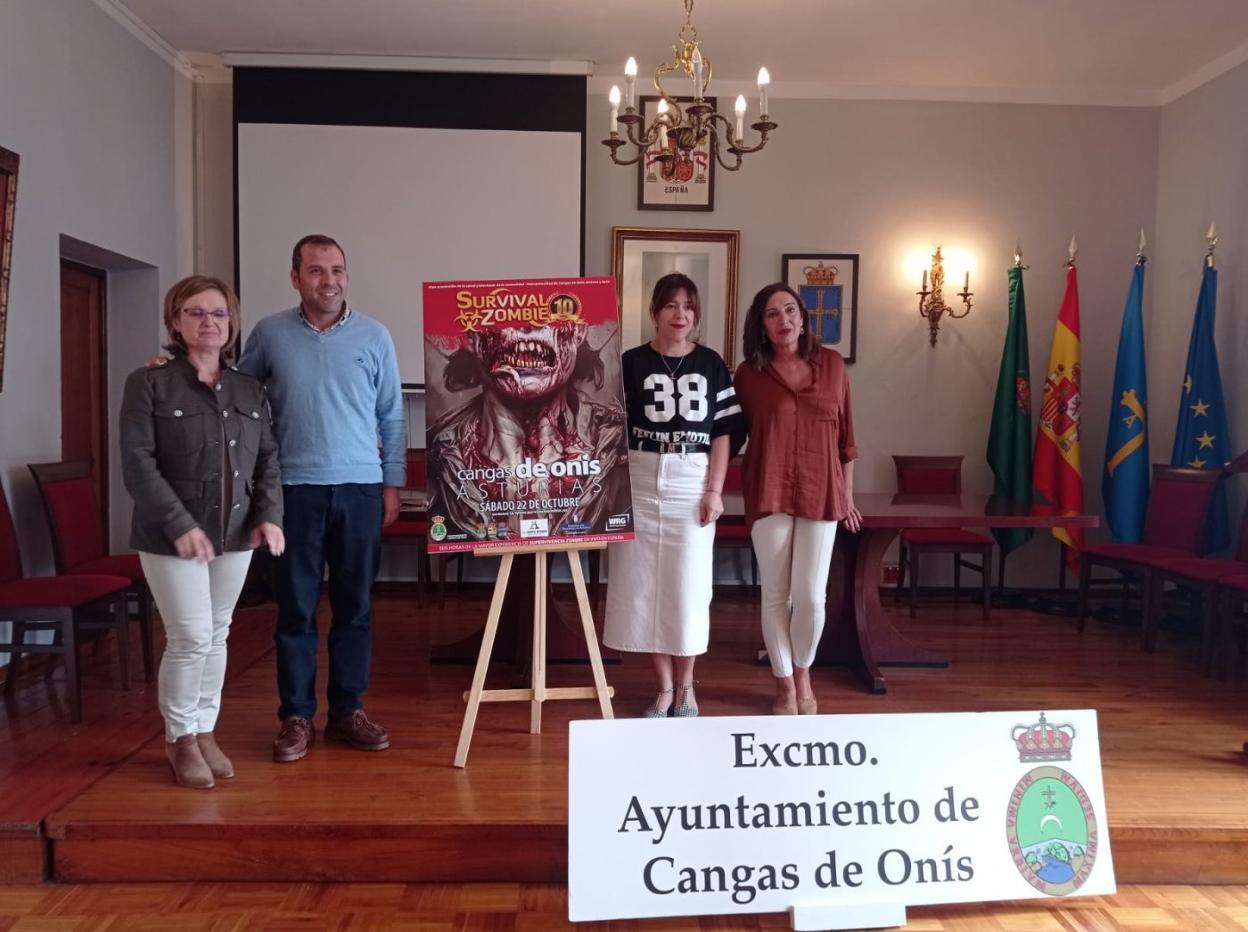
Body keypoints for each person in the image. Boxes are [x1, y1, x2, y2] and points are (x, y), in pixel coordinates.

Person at [238, 234, 406, 763]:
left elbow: (392, 416)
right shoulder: (269, 334)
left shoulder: (375, 336)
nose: (328, 280)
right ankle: (295, 716)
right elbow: (236, 400)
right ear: (296, 278)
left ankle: (347, 710)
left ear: (346, 276)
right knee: (296, 609)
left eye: (336, 270)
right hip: (293, 492)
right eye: (315, 271)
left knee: (355, 608)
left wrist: (392, 483)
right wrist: (176, 370)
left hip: (359, 488)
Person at [121, 275, 284, 789]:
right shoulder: (149, 383)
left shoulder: (248, 388)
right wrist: (181, 526)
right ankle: (180, 738)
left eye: (218, 313)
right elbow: (138, 465)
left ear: (231, 324)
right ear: (175, 321)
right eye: (195, 312)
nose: (208, 322)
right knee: (189, 636)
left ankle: (206, 729)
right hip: (171, 538)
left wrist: (270, 514)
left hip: (235, 535)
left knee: (217, 634)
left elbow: (267, 459)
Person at [602, 272, 743, 718]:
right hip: (640, 475)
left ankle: (687, 688)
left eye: (687, 306)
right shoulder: (630, 363)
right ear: (655, 312)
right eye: (670, 305)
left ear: (695, 314)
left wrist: (715, 490)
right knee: (642, 585)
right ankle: (663, 688)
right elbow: (605, 426)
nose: (679, 314)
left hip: (691, 476)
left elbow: (724, 431)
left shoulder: (711, 363)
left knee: (687, 586)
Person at [733, 283, 862, 716]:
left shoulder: (832, 365)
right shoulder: (747, 375)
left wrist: (846, 494)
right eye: (772, 314)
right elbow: (729, 437)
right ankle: (786, 686)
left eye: (790, 310)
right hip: (768, 491)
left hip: (822, 492)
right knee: (776, 595)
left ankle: (804, 671)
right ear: (762, 325)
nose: (783, 320)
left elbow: (847, 442)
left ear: (803, 317)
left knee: (811, 597)